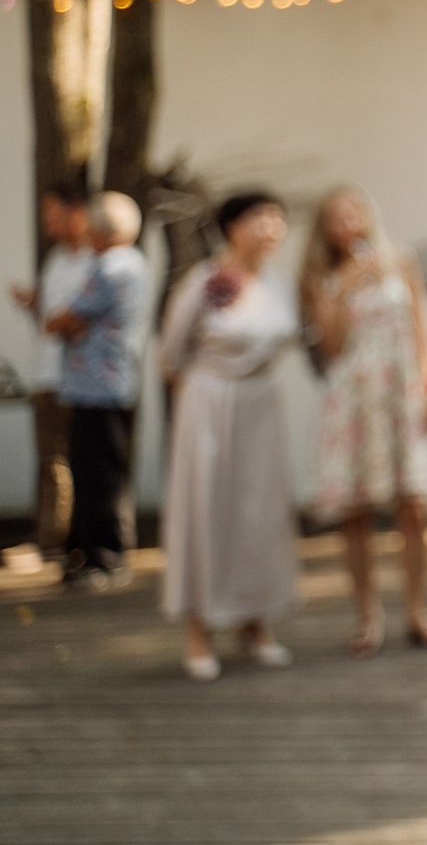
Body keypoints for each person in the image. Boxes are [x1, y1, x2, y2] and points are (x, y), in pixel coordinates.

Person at [302, 185, 427, 655]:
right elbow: (330, 347)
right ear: (326, 228)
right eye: (337, 216)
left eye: (355, 211)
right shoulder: (322, 276)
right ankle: (368, 617)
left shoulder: (400, 260)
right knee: (357, 511)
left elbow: (421, 325)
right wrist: (346, 284)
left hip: (400, 390)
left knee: (416, 505)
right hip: (353, 396)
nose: (349, 221)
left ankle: (419, 611)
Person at [161, 191, 303, 681]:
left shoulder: (282, 285)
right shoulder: (204, 282)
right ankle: (200, 630)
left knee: (260, 512)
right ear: (232, 226)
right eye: (258, 216)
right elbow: (171, 353)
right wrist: (203, 400)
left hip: (261, 405)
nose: (269, 226)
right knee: (207, 509)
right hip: (211, 404)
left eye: (276, 216)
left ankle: (255, 622)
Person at [50, 191, 150, 588]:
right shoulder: (136, 263)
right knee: (103, 468)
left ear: (98, 230)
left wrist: (58, 320)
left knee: (98, 471)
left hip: (98, 385)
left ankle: (105, 556)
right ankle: (96, 551)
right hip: (112, 383)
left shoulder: (110, 267)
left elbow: (67, 318)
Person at [11, 180, 92, 566]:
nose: (47, 223)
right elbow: (52, 316)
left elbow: (81, 319)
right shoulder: (58, 258)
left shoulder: (97, 260)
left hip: (74, 377)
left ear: (77, 212)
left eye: (52, 213)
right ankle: (48, 537)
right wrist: (37, 305)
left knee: (64, 460)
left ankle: (58, 542)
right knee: (49, 458)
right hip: (44, 372)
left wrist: (61, 320)